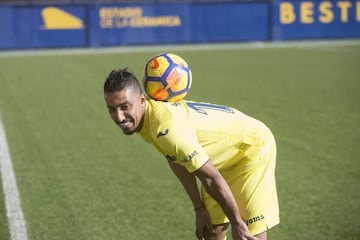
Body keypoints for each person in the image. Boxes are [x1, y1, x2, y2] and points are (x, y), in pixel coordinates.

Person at [103, 68, 279, 240]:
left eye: (124, 107)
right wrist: (198, 208)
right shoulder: (144, 118)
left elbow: (211, 179)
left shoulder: (166, 128)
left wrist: (237, 223)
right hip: (219, 157)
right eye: (112, 109)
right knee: (212, 232)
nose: (119, 117)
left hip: (251, 148)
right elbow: (175, 159)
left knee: (247, 233)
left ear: (142, 99)